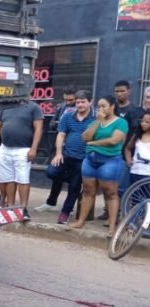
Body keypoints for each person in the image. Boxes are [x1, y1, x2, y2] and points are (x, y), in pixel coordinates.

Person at [68, 96, 129, 237]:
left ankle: (112, 226)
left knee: (110, 193)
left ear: (112, 106)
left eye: (104, 106)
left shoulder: (121, 122)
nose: (101, 109)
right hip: (90, 160)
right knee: (88, 191)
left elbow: (114, 140)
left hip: (109, 160)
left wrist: (94, 143)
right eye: (99, 106)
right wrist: (98, 121)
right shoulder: (96, 122)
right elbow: (85, 137)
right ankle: (81, 221)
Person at [42, 91, 95, 224]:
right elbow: (61, 135)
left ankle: (65, 213)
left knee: (74, 188)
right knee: (51, 172)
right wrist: (59, 153)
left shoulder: (95, 119)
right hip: (66, 155)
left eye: (83, 102)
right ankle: (73, 179)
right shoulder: (68, 116)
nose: (80, 105)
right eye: (78, 102)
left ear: (90, 102)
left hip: (84, 159)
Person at [97, 81, 145, 220]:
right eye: (117, 91)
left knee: (121, 187)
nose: (119, 93)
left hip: (124, 155)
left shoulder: (135, 111)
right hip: (107, 153)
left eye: (122, 91)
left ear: (129, 91)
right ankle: (108, 211)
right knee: (107, 185)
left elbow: (135, 133)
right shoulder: (111, 109)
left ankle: (120, 215)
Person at [0, 101, 44, 221]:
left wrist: (34, 148)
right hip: (5, 148)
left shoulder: (33, 107)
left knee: (23, 179)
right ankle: (10, 207)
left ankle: (23, 209)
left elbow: (38, 128)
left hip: (23, 149)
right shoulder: (5, 106)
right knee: (6, 179)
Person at [36, 88, 77, 212]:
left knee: (75, 177)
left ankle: (71, 205)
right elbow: (52, 123)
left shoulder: (82, 108)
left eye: (71, 100)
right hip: (60, 145)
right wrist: (59, 124)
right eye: (66, 100)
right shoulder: (62, 107)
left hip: (74, 147)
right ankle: (51, 202)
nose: (68, 102)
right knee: (54, 173)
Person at [124, 110, 150, 185]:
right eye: (142, 121)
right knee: (134, 194)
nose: (143, 124)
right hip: (135, 171)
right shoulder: (137, 135)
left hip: (148, 173)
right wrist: (128, 160)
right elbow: (127, 149)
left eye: (147, 122)